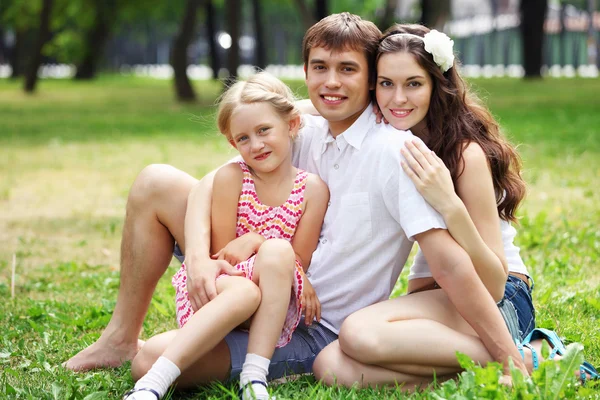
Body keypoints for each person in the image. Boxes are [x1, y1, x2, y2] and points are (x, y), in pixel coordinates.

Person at [65, 12, 526, 389]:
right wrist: (200, 261)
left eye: (348, 70)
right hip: (258, 277)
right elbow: (221, 177)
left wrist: (507, 354)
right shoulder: (304, 127)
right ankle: (119, 337)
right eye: (319, 68)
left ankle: (518, 355)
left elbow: (450, 264)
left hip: (309, 323)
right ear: (304, 74)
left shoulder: (398, 153)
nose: (331, 83)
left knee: (152, 363)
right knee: (156, 181)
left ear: (369, 80)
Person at [312, 23, 597, 388]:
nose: (397, 98)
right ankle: (494, 372)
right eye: (387, 83)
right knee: (331, 366)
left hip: (499, 297)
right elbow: (320, 105)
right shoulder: (392, 135)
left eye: (413, 84)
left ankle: (524, 359)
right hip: (440, 292)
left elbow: (493, 281)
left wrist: (449, 204)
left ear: (436, 84)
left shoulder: (465, 155)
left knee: (357, 333)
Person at [122, 72, 329, 400]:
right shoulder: (233, 177)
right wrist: (253, 246)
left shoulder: (312, 190)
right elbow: (223, 255)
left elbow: (297, 258)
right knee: (246, 291)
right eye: (243, 138)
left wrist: (258, 240)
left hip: (275, 298)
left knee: (276, 250)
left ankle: (254, 378)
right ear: (233, 144)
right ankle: (152, 383)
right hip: (224, 286)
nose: (256, 144)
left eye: (264, 130)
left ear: (291, 126)